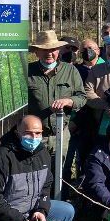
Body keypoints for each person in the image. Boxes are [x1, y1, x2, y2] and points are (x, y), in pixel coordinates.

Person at [27, 30, 87, 158]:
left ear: (58, 50)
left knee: (60, 173)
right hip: (34, 137)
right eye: (44, 50)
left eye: (53, 49)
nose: (49, 53)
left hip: (61, 135)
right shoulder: (27, 71)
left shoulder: (70, 70)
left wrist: (69, 101)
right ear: (36, 52)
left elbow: (82, 97)